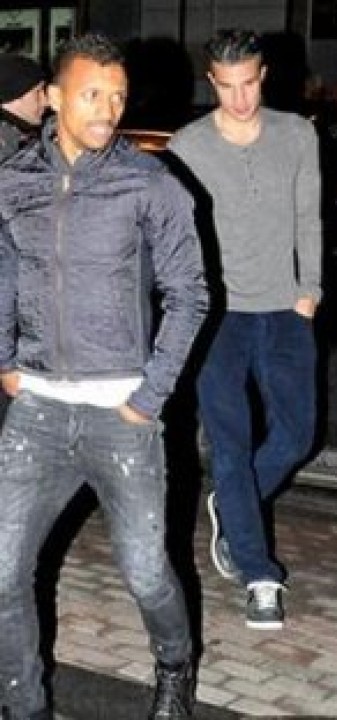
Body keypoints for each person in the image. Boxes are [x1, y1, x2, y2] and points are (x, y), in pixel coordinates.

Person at [0, 34, 208, 720]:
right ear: (54, 97)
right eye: (93, 94)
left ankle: (175, 666)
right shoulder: (12, 179)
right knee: (1, 573)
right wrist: (4, 360)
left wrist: (148, 397)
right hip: (36, 410)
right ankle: (23, 705)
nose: (108, 109)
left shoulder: (149, 182)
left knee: (147, 573)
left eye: (117, 96)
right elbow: (4, 270)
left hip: (121, 415)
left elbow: (190, 295)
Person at [169, 28, 321, 630]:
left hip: (286, 309)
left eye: (249, 84)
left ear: (264, 76)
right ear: (212, 82)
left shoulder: (297, 133)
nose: (240, 98)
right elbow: (176, 237)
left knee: (297, 435)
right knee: (230, 445)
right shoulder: (188, 146)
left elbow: (308, 216)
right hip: (219, 318)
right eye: (227, 86)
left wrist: (309, 292)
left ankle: (232, 506)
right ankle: (259, 576)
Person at [0, 53, 47, 163]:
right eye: (38, 92)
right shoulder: (9, 149)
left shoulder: (21, 137)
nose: (46, 102)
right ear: (13, 95)